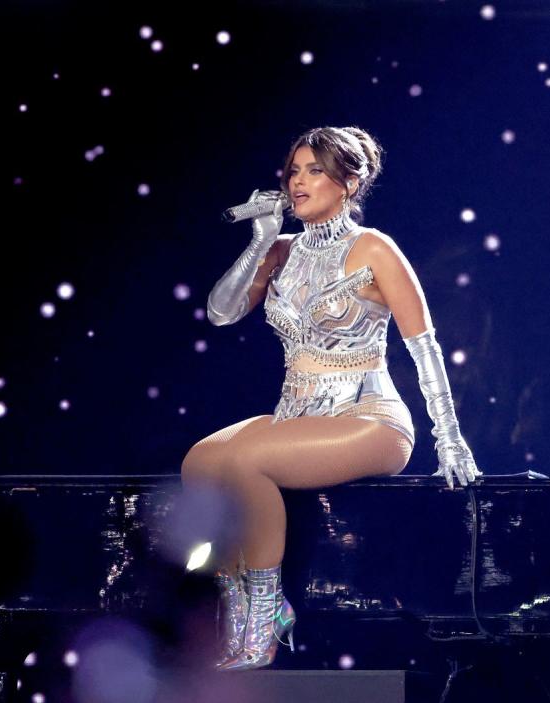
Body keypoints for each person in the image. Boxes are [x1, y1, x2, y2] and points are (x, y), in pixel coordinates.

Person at [181, 126, 480, 671]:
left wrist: (451, 438)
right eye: (293, 171)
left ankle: (270, 613)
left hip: (371, 419)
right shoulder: (281, 250)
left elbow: (425, 347)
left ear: (350, 182)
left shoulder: (375, 248)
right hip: (298, 417)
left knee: (246, 461)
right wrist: (259, 240)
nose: (298, 182)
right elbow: (221, 313)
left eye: (313, 170)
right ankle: (238, 603)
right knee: (199, 462)